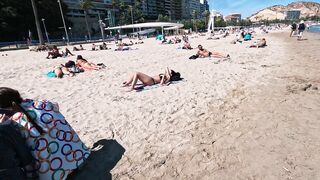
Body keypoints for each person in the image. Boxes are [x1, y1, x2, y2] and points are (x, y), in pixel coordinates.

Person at [0, 87, 90, 180]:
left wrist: (3, 125)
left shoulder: (15, 121)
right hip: (77, 156)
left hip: (52, 171)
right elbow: (55, 106)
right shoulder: (41, 103)